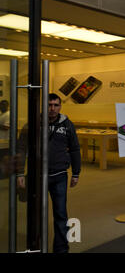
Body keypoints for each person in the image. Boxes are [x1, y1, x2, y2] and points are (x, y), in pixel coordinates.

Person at [17, 93, 81, 253]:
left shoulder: (67, 124)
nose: (52, 108)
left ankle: (61, 249)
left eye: (55, 105)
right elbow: (21, 148)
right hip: (37, 176)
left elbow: (74, 149)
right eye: (49, 105)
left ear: (60, 106)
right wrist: (19, 172)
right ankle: (35, 246)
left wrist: (76, 173)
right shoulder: (32, 124)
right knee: (35, 213)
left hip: (59, 176)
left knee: (60, 214)